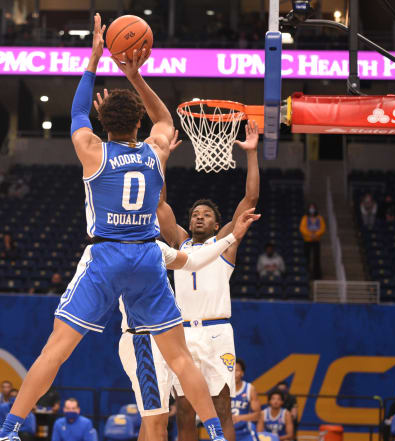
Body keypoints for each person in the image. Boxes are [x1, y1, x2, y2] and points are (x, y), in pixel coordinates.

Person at [0, 13, 229, 441]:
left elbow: (77, 113)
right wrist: (134, 75)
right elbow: (166, 121)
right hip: (147, 256)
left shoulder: (92, 151)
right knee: (180, 360)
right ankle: (214, 431)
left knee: (55, 350)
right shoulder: (155, 151)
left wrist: (94, 59)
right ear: (139, 124)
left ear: (103, 125)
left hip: (106, 255)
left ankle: (5, 433)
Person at [154, 120, 259, 441]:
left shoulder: (224, 245)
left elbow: (250, 201)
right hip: (181, 334)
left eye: (206, 214)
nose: (199, 215)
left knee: (221, 406)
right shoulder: (180, 244)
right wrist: (162, 159)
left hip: (216, 333)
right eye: (195, 213)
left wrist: (252, 155)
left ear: (217, 225)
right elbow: (158, 205)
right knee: (184, 410)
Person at [119, 209, 260, 441]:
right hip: (143, 339)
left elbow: (194, 261)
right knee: (158, 417)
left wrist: (233, 237)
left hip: (177, 334)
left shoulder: (161, 249)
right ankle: (216, 434)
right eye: (195, 214)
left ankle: (216, 435)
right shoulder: (119, 254)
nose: (199, 218)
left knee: (160, 417)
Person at [231, 359, 260, 441]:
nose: (234, 373)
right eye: (231, 370)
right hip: (228, 430)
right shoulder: (223, 390)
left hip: (245, 430)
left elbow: (257, 415)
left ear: (242, 373)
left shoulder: (249, 389)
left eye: (236, 370)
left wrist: (238, 418)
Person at [299, 203, 325, 280]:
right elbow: (302, 228)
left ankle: (317, 275)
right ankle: (307, 273)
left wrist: (316, 235)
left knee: (316, 258)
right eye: (310, 208)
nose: (312, 209)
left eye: (313, 208)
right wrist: (309, 234)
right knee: (307, 258)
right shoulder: (305, 218)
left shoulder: (319, 218)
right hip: (307, 240)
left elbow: (323, 228)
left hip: (316, 240)